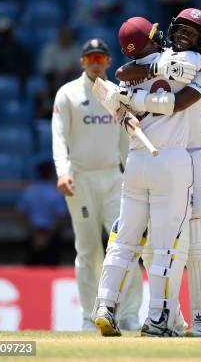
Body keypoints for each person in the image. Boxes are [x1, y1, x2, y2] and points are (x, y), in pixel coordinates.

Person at [92, 13, 201, 337]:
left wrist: (133, 99)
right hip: (171, 161)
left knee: (123, 242)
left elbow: (122, 77)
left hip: (136, 162)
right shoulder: (180, 61)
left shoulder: (125, 79)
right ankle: (159, 319)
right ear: (153, 36)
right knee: (166, 247)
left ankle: (105, 306)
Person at [51, 38, 142, 331]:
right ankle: (90, 317)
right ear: (82, 62)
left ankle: (128, 313)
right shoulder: (67, 94)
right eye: (90, 58)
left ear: (108, 62)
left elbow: (126, 141)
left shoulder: (117, 94)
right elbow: (59, 137)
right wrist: (63, 172)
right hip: (80, 179)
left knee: (125, 247)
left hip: (113, 179)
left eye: (101, 58)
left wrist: (136, 176)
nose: (95, 63)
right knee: (89, 250)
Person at [17, 161, 67, 265]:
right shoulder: (56, 192)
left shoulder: (29, 191)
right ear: (50, 174)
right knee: (51, 269)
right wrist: (48, 236)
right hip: (50, 236)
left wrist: (34, 234)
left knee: (31, 270)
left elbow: (21, 214)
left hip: (34, 234)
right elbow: (60, 216)